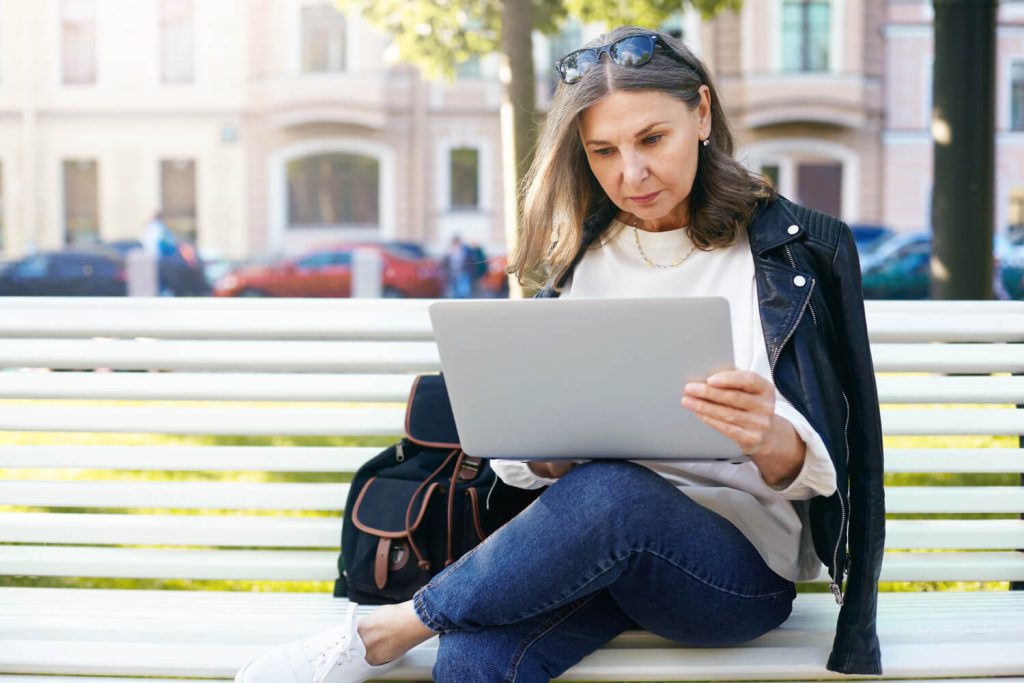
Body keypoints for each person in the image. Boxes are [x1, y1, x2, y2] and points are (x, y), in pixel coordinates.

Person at [234, 26, 884, 682]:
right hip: (584, 551)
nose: (630, 173)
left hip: (735, 574)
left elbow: (838, 465)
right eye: (603, 150)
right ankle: (409, 627)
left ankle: (385, 630)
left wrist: (774, 438)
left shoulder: (796, 251)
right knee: (475, 653)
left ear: (703, 114)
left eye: (652, 139)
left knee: (613, 494)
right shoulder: (582, 258)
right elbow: (529, 467)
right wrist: (545, 446)